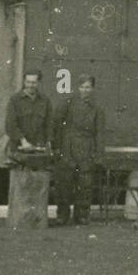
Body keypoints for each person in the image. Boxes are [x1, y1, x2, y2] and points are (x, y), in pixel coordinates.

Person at [53, 74, 105, 225]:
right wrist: (57, 147)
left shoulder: (97, 109)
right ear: (78, 87)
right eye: (82, 87)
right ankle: (62, 215)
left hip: (86, 150)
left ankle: (82, 215)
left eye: (88, 87)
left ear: (93, 89)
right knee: (64, 184)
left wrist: (99, 154)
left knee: (85, 184)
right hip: (68, 149)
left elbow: (99, 133)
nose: (85, 90)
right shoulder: (68, 104)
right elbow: (57, 125)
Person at [4, 69, 54, 228]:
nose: (31, 85)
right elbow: (10, 125)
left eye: (34, 82)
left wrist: (48, 143)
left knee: (38, 185)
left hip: (38, 151)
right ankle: (18, 220)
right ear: (24, 82)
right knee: (21, 185)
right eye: (28, 82)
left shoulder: (45, 101)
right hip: (20, 150)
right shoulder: (15, 100)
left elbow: (49, 124)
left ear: (38, 83)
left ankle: (37, 221)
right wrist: (22, 141)